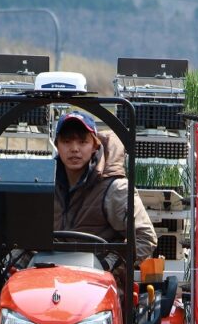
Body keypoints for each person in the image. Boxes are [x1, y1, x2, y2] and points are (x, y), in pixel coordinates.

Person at [52, 111, 157, 276]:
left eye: (82, 142)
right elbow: (22, 237)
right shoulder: (44, 184)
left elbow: (145, 238)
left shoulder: (114, 189)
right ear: (56, 145)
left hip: (97, 282)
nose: (74, 149)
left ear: (95, 145)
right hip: (48, 277)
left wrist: (106, 267)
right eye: (66, 142)